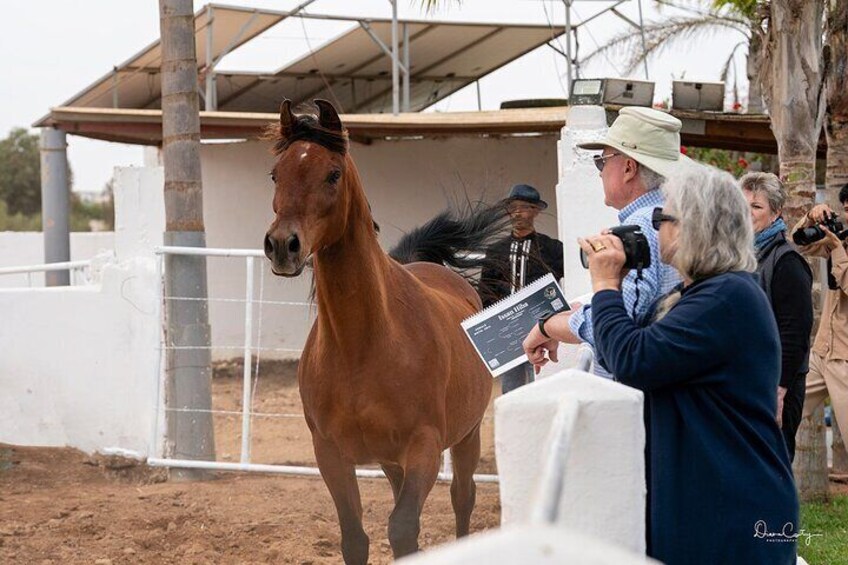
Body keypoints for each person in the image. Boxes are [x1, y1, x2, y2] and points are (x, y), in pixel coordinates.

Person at [524, 165, 799, 564]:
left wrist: (605, 283)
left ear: (693, 227)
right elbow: (634, 335)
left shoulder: (725, 299)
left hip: (732, 513)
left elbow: (631, 360)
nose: (655, 230)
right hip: (716, 500)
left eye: (661, 219)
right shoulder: (709, 295)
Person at [546, 108, 684, 378]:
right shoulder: (672, 217)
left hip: (633, 396)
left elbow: (617, 324)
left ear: (629, 168)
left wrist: (548, 326)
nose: (600, 172)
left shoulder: (639, 229)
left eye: (602, 161)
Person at [740, 172, 813, 462]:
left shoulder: (786, 261)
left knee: (771, 467)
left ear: (776, 211)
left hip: (776, 386)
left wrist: (779, 390)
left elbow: (796, 334)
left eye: (756, 206)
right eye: (743, 204)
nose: (748, 213)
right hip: (750, 379)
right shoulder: (744, 255)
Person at [479, 184, 563, 394]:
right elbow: (486, 292)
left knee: (544, 383)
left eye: (524, 207)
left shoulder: (552, 249)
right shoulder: (496, 250)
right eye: (512, 207)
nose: (517, 212)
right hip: (509, 330)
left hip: (543, 327)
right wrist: (491, 329)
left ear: (535, 210)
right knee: (512, 388)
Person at [791, 184, 848, 459]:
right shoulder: (842, 239)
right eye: (846, 211)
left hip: (846, 362)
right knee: (780, 410)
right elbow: (799, 243)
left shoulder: (840, 247)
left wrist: (837, 250)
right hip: (822, 352)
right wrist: (811, 219)